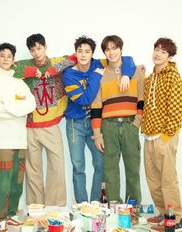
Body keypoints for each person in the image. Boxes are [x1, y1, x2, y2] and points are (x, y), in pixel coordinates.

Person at [62, 36, 137, 203]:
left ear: (92, 53)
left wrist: (127, 75)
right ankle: (82, 206)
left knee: (101, 165)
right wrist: (96, 76)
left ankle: (95, 203)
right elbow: (85, 99)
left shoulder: (98, 64)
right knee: (78, 166)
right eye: (80, 51)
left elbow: (126, 59)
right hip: (76, 124)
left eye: (87, 51)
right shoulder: (69, 75)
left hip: (96, 122)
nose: (83, 55)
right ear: (75, 53)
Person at [0, 43, 36, 231]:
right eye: (2, 55)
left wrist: (9, 104)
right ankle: (1, 217)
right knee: (3, 180)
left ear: (13, 60)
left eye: (9, 56)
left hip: (19, 137)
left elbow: (30, 103)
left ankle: (12, 213)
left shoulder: (18, 81)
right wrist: (17, 108)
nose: (6, 58)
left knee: (17, 180)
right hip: (1, 137)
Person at [12, 33, 71, 206]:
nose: (36, 53)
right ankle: (36, 208)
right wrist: (32, 71)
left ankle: (55, 207)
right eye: (33, 50)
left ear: (46, 47)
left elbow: (74, 58)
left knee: (57, 166)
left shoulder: (55, 62)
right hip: (30, 125)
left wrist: (51, 71)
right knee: (33, 169)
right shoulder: (25, 65)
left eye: (39, 48)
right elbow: (11, 68)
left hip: (51, 125)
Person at [91, 35, 144, 204]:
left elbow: (142, 100)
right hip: (109, 126)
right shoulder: (99, 75)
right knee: (110, 170)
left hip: (130, 125)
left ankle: (133, 207)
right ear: (104, 52)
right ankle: (114, 207)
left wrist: (137, 122)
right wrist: (97, 135)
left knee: (133, 169)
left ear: (121, 49)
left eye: (114, 48)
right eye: (107, 49)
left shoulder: (135, 71)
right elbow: (96, 107)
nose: (111, 52)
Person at [141, 37, 182, 231]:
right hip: (149, 135)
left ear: (170, 56)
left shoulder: (173, 76)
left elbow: (176, 110)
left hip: (165, 136)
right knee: (153, 179)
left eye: (163, 52)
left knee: (167, 180)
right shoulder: (151, 78)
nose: (158, 54)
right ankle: (163, 213)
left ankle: (176, 218)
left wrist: (167, 136)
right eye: (156, 49)